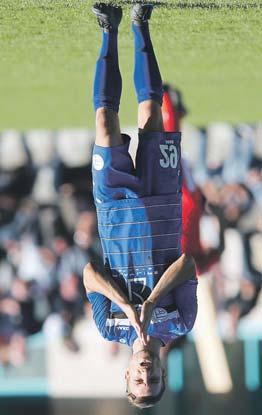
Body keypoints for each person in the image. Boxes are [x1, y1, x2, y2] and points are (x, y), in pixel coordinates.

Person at [83, 2, 198, 408]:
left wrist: (124, 306)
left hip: (114, 213)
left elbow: (89, 274)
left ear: (127, 373)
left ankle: (107, 30)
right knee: (151, 115)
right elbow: (187, 266)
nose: (145, 372)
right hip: (162, 204)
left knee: (104, 121)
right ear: (163, 372)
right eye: (153, 378)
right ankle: (140, 23)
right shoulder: (181, 321)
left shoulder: (109, 327)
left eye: (139, 378)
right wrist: (150, 304)